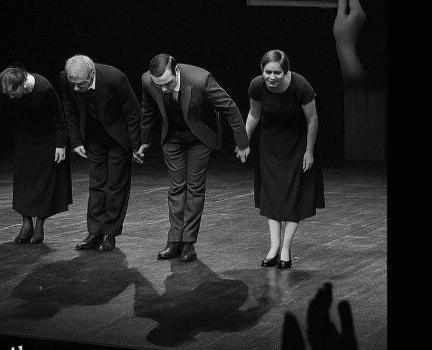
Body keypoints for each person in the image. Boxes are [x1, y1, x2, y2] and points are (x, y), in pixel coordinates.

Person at [135, 54, 249, 262]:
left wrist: (242, 142)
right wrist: (144, 140)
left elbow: (230, 108)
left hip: (200, 137)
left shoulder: (201, 80)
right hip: (172, 138)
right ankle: (174, 241)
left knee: (195, 188)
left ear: (176, 71)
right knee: (176, 187)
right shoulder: (148, 80)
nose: (163, 89)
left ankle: (188, 243)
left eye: (168, 83)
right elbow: (147, 109)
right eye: (159, 85)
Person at [245, 50, 324, 269]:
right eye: (267, 72)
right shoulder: (257, 85)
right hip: (270, 146)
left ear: (286, 72)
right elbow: (253, 115)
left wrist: (309, 151)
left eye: (277, 73)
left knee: (293, 197)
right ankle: (274, 247)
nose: (272, 77)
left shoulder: (300, 86)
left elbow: (312, 120)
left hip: (298, 144)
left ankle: (286, 249)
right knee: (271, 196)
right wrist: (243, 141)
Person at [0, 64, 72, 244]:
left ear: (22, 84)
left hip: (47, 138)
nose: (10, 98)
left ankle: (40, 224)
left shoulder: (43, 88)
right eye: (8, 94)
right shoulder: (5, 89)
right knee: (23, 182)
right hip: (24, 137)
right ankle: (26, 223)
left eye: (14, 93)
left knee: (44, 183)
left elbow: (58, 117)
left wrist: (61, 145)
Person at [60, 55, 141, 251]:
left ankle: (109, 233)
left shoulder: (115, 78)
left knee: (115, 186)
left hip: (118, 139)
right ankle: (94, 232)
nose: (76, 88)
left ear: (92, 73)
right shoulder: (67, 78)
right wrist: (76, 140)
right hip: (93, 138)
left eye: (81, 84)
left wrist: (136, 145)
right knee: (96, 184)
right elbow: (69, 109)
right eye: (73, 84)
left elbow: (133, 112)